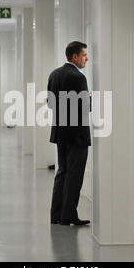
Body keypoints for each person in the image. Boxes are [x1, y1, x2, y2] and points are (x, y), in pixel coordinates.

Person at [47, 41, 91, 226]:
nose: (86, 58)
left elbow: (50, 103)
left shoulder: (54, 74)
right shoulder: (78, 77)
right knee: (74, 175)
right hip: (77, 135)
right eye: (84, 55)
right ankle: (68, 216)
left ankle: (56, 215)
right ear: (74, 57)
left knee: (62, 172)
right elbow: (84, 107)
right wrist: (89, 99)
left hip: (60, 133)